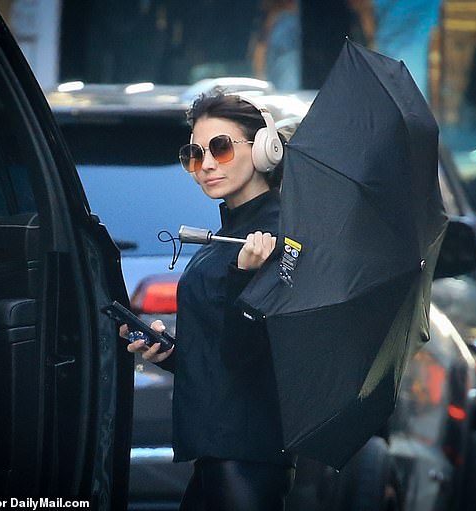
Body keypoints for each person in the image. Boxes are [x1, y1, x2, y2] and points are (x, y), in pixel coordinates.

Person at [126, 91, 295, 511]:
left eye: (220, 147)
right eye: (193, 154)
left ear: (263, 148)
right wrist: (168, 354)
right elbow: (221, 355)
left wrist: (245, 276)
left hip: (248, 453)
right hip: (215, 450)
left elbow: (253, 355)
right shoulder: (225, 236)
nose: (205, 165)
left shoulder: (280, 237)